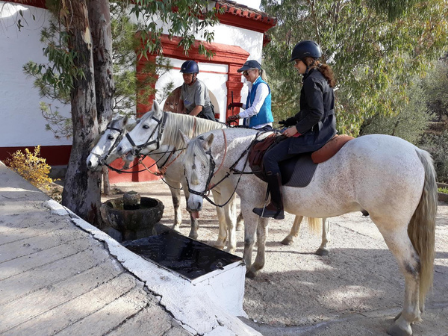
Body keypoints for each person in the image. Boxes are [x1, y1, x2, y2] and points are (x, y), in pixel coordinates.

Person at [253, 40, 337, 220]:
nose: (296, 66)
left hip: (316, 135)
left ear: (307, 60)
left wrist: (295, 129)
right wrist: (290, 121)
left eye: (297, 62)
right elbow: (310, 110)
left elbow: (316, 113)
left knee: (270, 157)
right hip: (327, 130)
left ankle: (276, 206)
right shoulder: (320, 78)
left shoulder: (311, 81)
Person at [226, 60, 274, 131]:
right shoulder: (251, 86)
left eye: (246, 72)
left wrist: (237, 116)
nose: (245, 75)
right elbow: (250, 107)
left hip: (262, 127)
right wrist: (239, 105)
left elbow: (255, 109)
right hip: (253, 127)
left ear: (256, 71)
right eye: (244, 73)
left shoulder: (261, 86)